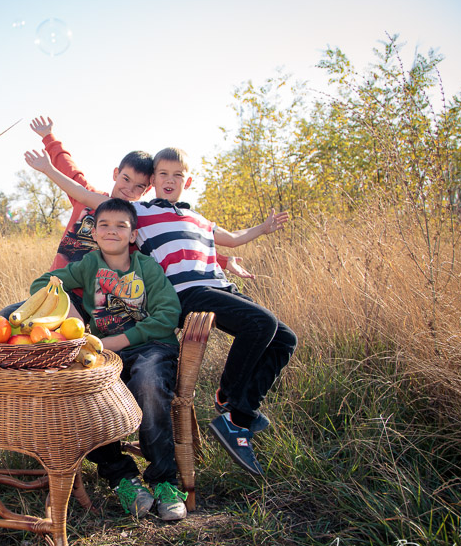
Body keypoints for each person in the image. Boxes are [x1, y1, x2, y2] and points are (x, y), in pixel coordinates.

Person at [24, 147, 297, 477]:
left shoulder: (197, 218)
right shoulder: (142, 213)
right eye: (163, 175)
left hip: (218, 287)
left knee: (284, 338)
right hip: (190, 292)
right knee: (261, 322)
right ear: (153, 182)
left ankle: (237, 406)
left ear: (188, 180)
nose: (170, 180)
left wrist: (261, 230)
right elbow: (83, 194)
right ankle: (231, 408)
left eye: (177, 175)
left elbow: (226, 240)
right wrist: (47, 168)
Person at [28, 198, 188, 520]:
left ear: (132, 235)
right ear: (95, 233)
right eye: (104, 225)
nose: (111, 231)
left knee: (148, 381)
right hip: (105, 355)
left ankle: (165, 481)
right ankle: (121, 477)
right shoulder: (89, 265)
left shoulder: (146, 267)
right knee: (83, 390)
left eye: (120, 225)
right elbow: (42, 284)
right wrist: (68, 314)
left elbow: (169, 313)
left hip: (152, 347)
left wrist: (118, 339)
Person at [0, 117, 154, 323]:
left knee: (51, 332)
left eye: (138, 187)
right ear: (116, 174)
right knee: (8, 317)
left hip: (92, 300)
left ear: (147, 190)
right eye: (126, 179)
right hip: (55, 286)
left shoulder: (135, 223)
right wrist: (48, 137)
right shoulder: (86, 197)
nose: (129, 190)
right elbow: (69, 170)